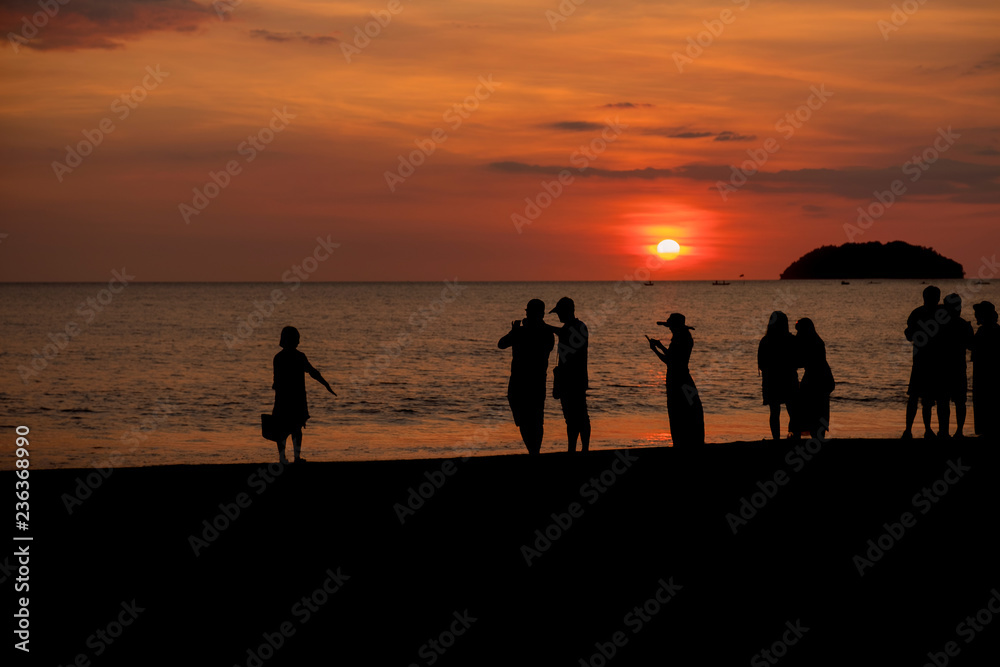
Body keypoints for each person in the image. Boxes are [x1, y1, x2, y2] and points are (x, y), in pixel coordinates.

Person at [498, 299, 555, 455]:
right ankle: (534, 451)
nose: (527, 315)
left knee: (531, 419)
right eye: (527, 312)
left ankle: (534, 451)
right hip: (533, 381)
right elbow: (501, 344)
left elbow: (502, 344)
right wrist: (516, 332)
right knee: (532, 419)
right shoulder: (546, 332)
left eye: (530, 312)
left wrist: (515, 331)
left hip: (524, 381)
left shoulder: (529, 332)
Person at [271, 326, 336, 463]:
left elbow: (276, 381)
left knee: (283, 429)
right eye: (297, 339)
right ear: (292, 340)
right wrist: (325, 384)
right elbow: (313, 372)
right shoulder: (299, 357)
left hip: (282, 398)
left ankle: (283, 458)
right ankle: (296, 457)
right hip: (296, 398)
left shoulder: (278, 358)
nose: (299, 342)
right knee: (296, 428)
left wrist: (325, 384)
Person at [648, 313, 705, 446]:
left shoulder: (679, 338)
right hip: (684, 378)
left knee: (678, 413)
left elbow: (670, 361)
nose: (670, 330)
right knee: (688, 412)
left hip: (677, 381)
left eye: (671, 327)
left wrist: (655, 350)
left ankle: (682, 443)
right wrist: (661, 346)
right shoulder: (685, 337)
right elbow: (674, 357)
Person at [547, 297, 591, 452]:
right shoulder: (577, 327)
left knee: (577, 416)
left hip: (573, 380)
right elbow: (562, 332)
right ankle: (575, 448)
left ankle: (580, 448)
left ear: (567, 311)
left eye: (560, 312)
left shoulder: (576, 327)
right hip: (572, 380)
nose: (558, 316)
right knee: (573, 417)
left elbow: (564, 333)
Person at [903, 285, 943, 439]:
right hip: (926, 361)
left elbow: (909, 335)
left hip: (925, 360)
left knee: (920, 397)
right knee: (922, 397)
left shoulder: (917, 313)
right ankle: (919, 430)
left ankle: (915, 430)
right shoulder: (939, 313)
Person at [757, 311, 799, 440]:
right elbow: (797, 360)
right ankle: (794, 436)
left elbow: (761, 364)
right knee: (793, 410)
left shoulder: (765, 341)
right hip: (788, 378)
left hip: (771, 380)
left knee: (774, 412)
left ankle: (776, 439)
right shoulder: (791, 340)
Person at [938, 294, 974, 438]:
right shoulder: (963, 325)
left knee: (944, 401)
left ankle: (944, 432)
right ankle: (958, 431)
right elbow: (971, 345)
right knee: (959, 401)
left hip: (943, 368)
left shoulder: (939, 325)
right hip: (958, 367)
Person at [792, 318, 834, 441]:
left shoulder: (809, 342)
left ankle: (816, 436)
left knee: (812, 408)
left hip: (816, 379)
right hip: (822, 378)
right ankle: (818, 437)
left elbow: (803, 361)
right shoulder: (816, 340)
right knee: (819, 409)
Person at [971, 301, 1000, 439]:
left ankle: (988, 430)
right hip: (984, 371)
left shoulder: (985, 331)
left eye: (977, 314)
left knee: (985, 399)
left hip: (985, 372)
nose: (975, 316)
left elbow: (976, 347)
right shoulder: (991, 330)